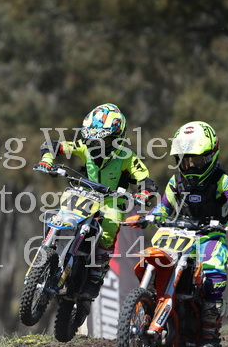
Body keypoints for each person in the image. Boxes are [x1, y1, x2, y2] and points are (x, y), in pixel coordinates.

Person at [128, 121, 228, 347]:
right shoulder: (176, 181)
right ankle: (147, 307)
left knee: (213, 274)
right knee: (153, 259)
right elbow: (164, 207)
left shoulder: (221, 180)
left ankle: (209, 334)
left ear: (211, 155)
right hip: (178, 232)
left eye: (196, 160)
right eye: (185, 160)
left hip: (210, 234)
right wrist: (150, 216)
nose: (190, 165)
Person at [34, 103, 157, 300]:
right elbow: (54, 145)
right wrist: (47, 161)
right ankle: (50, 247)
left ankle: (95, 274)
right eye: (92, 139)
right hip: (85, 195)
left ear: (117, 139)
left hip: (111, 201)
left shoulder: (126, 157)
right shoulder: (84, 148)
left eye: (103, 140)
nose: (96, 145)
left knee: (110, 223)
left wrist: (144, 193)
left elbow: (144, 179)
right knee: (61, 208)